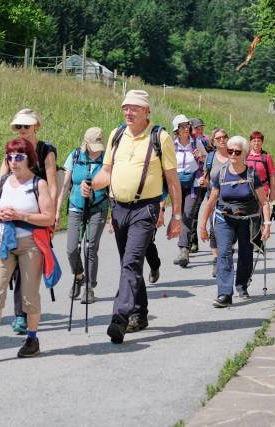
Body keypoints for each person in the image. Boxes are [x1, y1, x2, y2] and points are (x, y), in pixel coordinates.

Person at [81, 89, 181, 344]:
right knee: (131, 264)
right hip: (119, 209)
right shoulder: (116, 135)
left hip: (145, 209)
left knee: (131, 262)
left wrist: (176, 216)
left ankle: (120, 318)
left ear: (147, 111)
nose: (128, 112)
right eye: (125, 107)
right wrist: (92, 184)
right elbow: (106, 172)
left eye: (134, 108)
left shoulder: (161, 138)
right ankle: (140, 312)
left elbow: (172, 180)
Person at [0, 138, 55, 361]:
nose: (13, 162)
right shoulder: (5, 181)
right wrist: (2, 214)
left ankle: (32, 339)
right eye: (9, 157)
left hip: (30, 244)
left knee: (29, 296)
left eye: (19, 157)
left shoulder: (38, 184)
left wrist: (21, 215)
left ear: (29, 159)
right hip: (4, 241)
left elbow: (49, 218)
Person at [0, 109, 58, 335]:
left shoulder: (46, 150)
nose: (21, 131)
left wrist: (54, 213)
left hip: (36, 210)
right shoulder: (11, 152)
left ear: (36, 126)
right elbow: (0, 181)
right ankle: (17, 317)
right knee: (14, 268)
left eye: (25, 127)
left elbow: (52, 182)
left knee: (28, 271)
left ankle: (23, 316)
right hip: (10, 218)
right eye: (18, 127)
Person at [199, 136, 271, 307]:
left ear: (244, 153)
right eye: (230, 151)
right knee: (224, 253)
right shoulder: (221, 174)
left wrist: (267, 224)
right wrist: (202, 225)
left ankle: (242, 284)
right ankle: (224, 294)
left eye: (237, 152)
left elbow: (264, 202)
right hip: (224, 219)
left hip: (248, 220)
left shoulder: (252, 174)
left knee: (246, 254)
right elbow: (211, 201)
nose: (232, 154)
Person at [58, 127, 108, 304]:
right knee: (71, 249)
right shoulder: (75, 155)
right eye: (93, 146)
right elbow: (65, 185)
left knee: (90, 248)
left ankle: (89, 288)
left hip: (98, 207)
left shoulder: (106, 158)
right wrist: (57, 211)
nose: (96, 150)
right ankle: (79, 276)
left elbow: (112, 184)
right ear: (85, 143)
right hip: (76, 207)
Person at [172, 114, 206, 268]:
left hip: (194, 185)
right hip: (176, 185)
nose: (186, 129)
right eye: (183, 126)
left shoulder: (196, 143)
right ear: (177, 130)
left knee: (187, 215)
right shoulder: (171, 145)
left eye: (187, 126)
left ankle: (184, 250)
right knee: (178, 216)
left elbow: (208, 160)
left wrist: (201, 157)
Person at [203, 128, 230, 277]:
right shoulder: (210, 157)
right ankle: (216, 259)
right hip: (214, 197)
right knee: (214, 228)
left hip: (233, 198)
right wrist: (203, 181)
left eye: (224, 137)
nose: (222, 140)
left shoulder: (235, 154)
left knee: (231, 232)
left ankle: (225, 255)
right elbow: (206, 177)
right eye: (218, 138)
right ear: (213, 142)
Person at [246, 131, 275, 249]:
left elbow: (272, 175)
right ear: (250, 142)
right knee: (250, 215)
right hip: (247, 189)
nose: (256, 143)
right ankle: (251, 240)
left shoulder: (266, 157)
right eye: (254, 140)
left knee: (260, 216)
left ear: (262, 142)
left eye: (258, 140)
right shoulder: (245, 155)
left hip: (262, 188)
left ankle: (258, 241)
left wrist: (272, 191)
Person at [188, 118, 212, 253]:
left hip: (202, 181)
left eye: (201, 127)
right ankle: (191, 242)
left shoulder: (204, 141)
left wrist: (201, 157)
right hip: (187, 181)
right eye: (197, 128)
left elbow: (210, 159)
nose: (200, 130)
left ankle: (193, 242)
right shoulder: (183, 142)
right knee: (190, 213)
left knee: (195, 211)